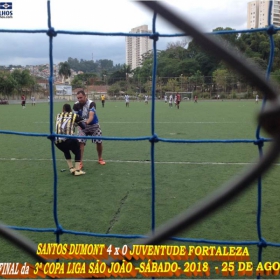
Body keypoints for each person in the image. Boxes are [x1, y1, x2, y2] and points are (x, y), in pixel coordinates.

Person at [73, 90, 105, 168]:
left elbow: (91, 116)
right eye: (78, 98)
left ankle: (100, 158)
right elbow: (75, 117)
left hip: (94, 125)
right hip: (82, 126)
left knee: (99, 142)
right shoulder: (75, 105)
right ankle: (80, 162)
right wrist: (76, 124)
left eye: (81, 97)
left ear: (85, 96)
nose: (79, 99)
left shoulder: (91, 103)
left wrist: (86, 123)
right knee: (80, 143)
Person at [55, 104, 86, 176]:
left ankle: (71, 168)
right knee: (78, 150)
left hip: (57, 140)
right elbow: (83, 127)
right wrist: (77, 123)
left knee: (66, 150)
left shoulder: (58, 115)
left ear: (63, 110)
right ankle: (77, 170)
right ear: (71, 110)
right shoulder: (73, 115)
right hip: (68, 139)